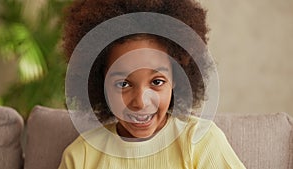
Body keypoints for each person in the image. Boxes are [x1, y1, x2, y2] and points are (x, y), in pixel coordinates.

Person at [59, 0, 246, 168]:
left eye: (157, 82)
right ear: (101, 84)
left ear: (176, 79)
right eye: (123, 84)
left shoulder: (199, 141)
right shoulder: (81, 157)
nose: (140, 102)